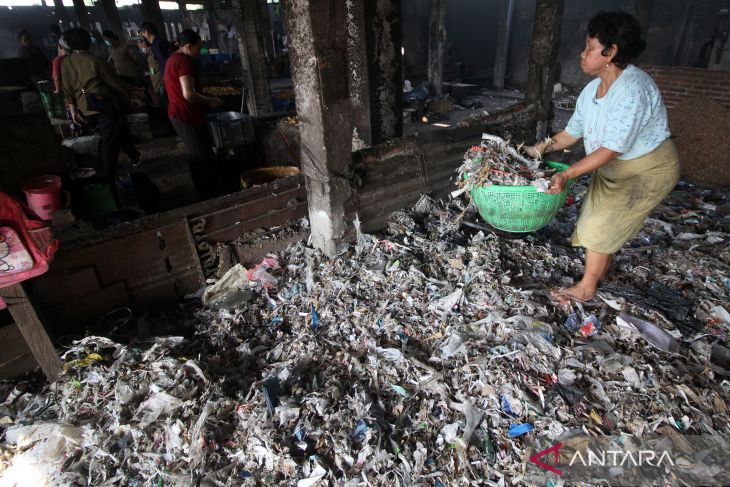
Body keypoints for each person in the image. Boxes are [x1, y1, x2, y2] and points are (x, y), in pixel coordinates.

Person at [524, 11, 679, 306]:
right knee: (596, 221)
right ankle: (599, 272)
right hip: (614, 168)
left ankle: (586, 288)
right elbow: (570, 134)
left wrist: (567, 174)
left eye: (589, 47)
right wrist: (536, 150)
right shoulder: (591, 91)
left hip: (646, 169)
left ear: (611, 52)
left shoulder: (633, 89)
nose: (582, 54)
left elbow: (611, 149)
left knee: (599, 225)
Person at [61, 28, 141, 175]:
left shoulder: (66, 62)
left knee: (117, 130)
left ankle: (133, 155)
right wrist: (131, 95)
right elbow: (114, 82)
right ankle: (108, 172)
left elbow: (67, 90)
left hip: (83, 107)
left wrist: (73, 111)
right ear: (87, 42)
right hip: (103, 104)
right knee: (110, 139)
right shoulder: (95, 60)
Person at [164, 29, 222, 196]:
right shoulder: (183, 62)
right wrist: (210, 100)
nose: (199, 52)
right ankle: (208, 194)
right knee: (201, 155)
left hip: (180, 113)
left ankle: (202, 188)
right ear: (188, 46)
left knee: (196, 152)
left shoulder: (173, 58)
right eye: (198, 48)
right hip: (184, 114)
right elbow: (188, 94)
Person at [139, 22, 172, 88]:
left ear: (146, 33)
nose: (143, 37)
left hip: (165, 80)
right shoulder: (159, 42)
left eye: (142, 34)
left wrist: (165, 79)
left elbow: (164, 63)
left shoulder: (156, 45)